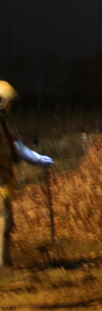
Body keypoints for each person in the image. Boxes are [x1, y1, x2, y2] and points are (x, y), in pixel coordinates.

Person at [0, 81, 55, 268]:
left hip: (3, 182)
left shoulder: (3, 125)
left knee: (6, 223)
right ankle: (3, 265)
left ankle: (5, 263)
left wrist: (37, 159)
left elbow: (15, 146)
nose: (11, 106)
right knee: (3, 222)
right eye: (9, 102)